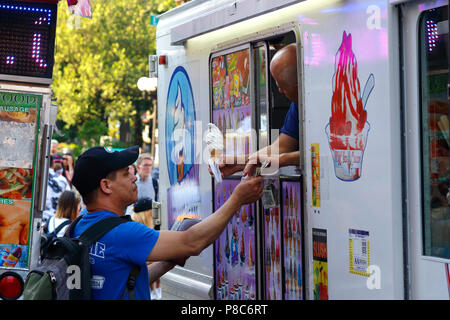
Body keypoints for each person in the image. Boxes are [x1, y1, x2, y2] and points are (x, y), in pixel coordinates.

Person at [71, 146, 263, 300]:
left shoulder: (80, 225)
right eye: (125, 173)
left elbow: (125, 281)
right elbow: (192, 242)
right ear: (106, 186)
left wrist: (168, 262)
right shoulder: (122, 233)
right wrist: (237, 199)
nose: (135, 177)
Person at [217, 43, 300, 178]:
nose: (279, 91)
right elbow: (281, 147)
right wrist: (239, 162)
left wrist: (282, 160)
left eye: (283, 88)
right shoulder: (296, 105)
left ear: (298, 85)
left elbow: (318, 151)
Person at [131, 197, 162, 300]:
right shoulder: (139, 236)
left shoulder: (134, 231)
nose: (155, 215)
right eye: (152, 212)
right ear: (147, 215)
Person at [42, 155, 71, 223]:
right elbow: (69, 198)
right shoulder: (62, 179)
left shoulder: (35, 180)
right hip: (56, 221)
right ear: (52, 164)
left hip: (36, 219)